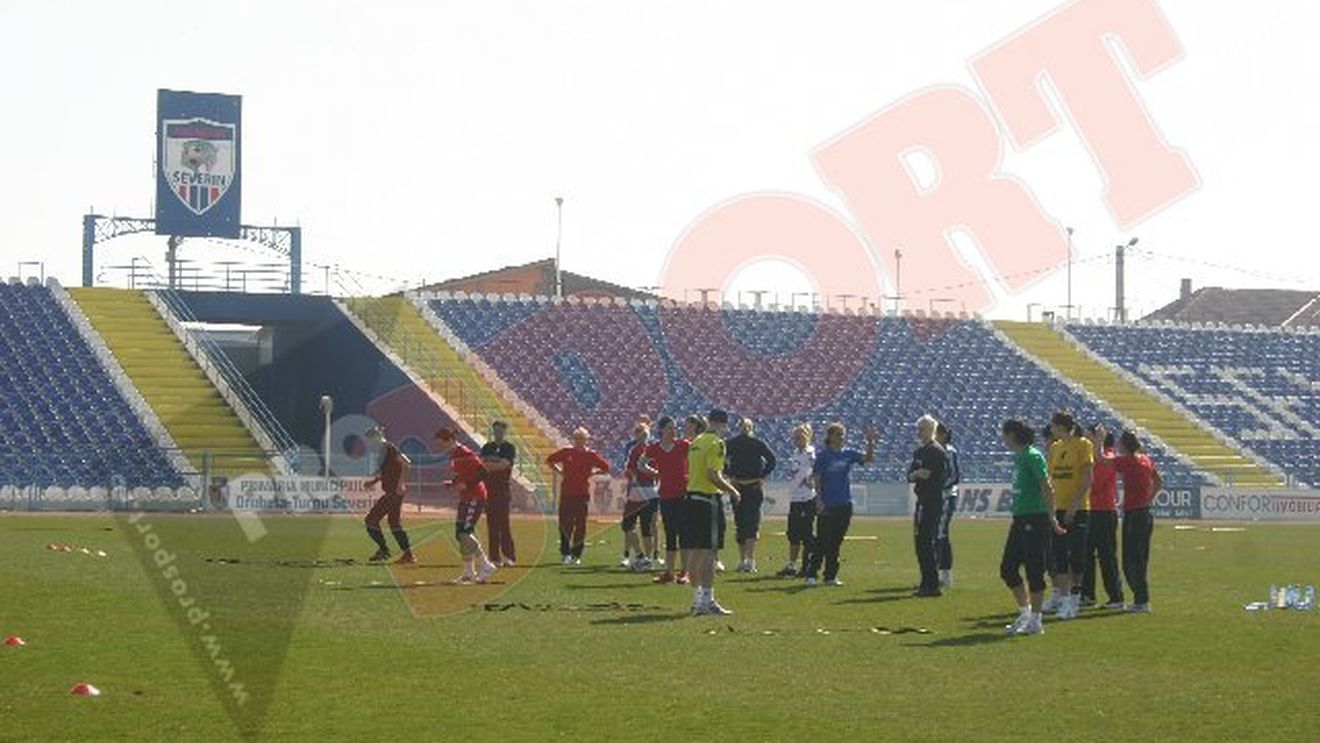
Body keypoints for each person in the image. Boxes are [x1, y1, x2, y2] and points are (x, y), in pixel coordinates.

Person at [999, 419, 1066, 636]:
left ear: (1012, 434)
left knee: (1034, 569)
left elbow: (1046, 486)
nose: (1002, 438)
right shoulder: (1020, 457)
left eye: (1004, 434)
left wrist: (1051, 516)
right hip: (1020, 518)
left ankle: (1036, 621)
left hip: (1035, 518)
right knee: (1008, 568)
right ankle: (1025, 613)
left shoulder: (1032, 456)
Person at [682, 410, 742, 615]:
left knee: (696, 551)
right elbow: (712, 474)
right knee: (709, 552)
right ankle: (707, 600)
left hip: (692, 498)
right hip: (707, 500)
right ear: (722, 424)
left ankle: (697, 599)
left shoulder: (696, 442)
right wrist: (732, 490)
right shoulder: (716, 443)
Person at [806, 422, 877, 587]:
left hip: (844, 503)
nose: (841, 438)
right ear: (830, 437)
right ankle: (812, 573)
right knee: (822, 540)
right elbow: (817, 479)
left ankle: (830, 575)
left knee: (836, 541)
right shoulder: (823, 456)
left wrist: (870, 442)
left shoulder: (848, 454)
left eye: (843, 434)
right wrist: (819, 500)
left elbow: (868, 459)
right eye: (838, 434)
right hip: (827, 503)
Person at [1045, 411, 1094, 620]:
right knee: (1059, 556)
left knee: (1077, 556)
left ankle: (1075, 598)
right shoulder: (1055, 448)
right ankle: (1064, 599)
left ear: (1060, 426)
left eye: (1053, 426)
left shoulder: (1083, 445)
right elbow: (1050, 479)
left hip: (1078, 508)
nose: (1051, 429)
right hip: (1058, 508)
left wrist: (1074, 506)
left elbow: (1087, 477)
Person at [435, 428, 497, 584]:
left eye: (441, 443)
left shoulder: (464, 453)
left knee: (464, 533)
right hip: (466, 497)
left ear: (449, 440)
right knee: (460, 534)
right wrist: (453, 483)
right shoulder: (454, 455)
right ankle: (468, 572)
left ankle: (486, 564)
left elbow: (483, 472)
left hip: (475, 497)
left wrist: (467, 485)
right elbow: (463, 474)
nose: (440, 447)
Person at [1111, 429, 1162, 613]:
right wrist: (1148, 499)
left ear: (1124, 445)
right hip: (1143, 513)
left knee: (1132, 560)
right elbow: (1158, 480)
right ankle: (1140, 599)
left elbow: (1102, 459)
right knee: (1138, 559)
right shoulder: (1145, 459)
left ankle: (1142, 600)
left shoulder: (1128, 461)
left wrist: (1099, 441)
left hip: (1134, 515)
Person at [546, 428, 612, 565]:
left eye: (582, 438)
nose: (579, 441)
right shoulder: (566, 452)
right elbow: (549, 460)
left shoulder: (590, 455)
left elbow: (606, 467)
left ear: (586, 440)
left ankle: (576, 555)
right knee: (565, 525)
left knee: (580, 525)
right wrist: (560, 471)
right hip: (567, 493)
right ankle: (565, 553)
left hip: (582, 494)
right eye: (577, 438)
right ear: (573, 439)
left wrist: (593, 473)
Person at [642, 416, 692, 585]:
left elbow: (696, 459)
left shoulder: (683, 445)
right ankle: (670, 572)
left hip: (683, 495)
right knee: (670, 534)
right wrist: (655, 473)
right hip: (665, 496)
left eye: (674, 427)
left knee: (684, 534)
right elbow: (641, 464)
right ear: (662, 430)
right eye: (670, 427)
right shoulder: (655, 448)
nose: (673, 430)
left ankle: (685, 571)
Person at [1081, 424, 1125, 609]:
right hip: (1092, 510)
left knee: (1106, 556)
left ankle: (1116, 597)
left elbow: (1095, 484)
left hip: (1104, 511)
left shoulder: (1108, 456)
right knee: (1086, 554)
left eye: (1089, 436)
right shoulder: (1095, 457)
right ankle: (1087, 594)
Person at [725, 417, 777, 573]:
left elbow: (772, 460)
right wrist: (761, 475)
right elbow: (772, 461)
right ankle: (746, 560)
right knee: (745, 523)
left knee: (747, 523)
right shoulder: (752, 443)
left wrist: (730, 474)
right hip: (745, 486)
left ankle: (748, 559)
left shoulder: (736, 443)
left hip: (744, 485)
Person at [908, 415, 949, 597]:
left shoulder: (935, 451)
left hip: (931, 500)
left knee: (925, 541)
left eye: (922, 429)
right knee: (920, 542)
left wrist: (916, 473)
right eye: (918, 429)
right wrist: (917, 473)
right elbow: (910, 475)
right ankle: (926, 582)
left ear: (932, 430)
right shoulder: (919, 451)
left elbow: (925, 474)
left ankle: (931, 585)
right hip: (922, 499)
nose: (919, 432)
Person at [362, 427, 414, 564]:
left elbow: (407, 463)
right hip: (392, 492)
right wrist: (374, 481)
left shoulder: (390, 448)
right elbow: (387, 471)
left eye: (371, 440)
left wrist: (401, 483)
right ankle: (408, 554)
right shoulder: (382, 451)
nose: (370, 443)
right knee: (394, 523)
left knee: (370, 520)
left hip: (393, 492)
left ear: (377, 437)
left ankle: (384, 550)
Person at [779, 423, 817, 577]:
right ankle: (792, 564)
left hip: (806, 498)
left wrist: (810, 481)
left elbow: (815, 470)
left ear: (807, 437)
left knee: (806, 533)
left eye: (800, 437)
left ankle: (807, 566)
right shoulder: (796, 453)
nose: (797, 441)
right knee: (793, 533)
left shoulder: (810, 453)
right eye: (795, 438)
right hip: (795, 498)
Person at [620, 422, 659, 571]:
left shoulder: (637, 450)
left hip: (640, 491)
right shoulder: (650, 449)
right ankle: (646, 558)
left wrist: (634, 477)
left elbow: (630, 469)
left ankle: (642, 556)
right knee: (645, 526)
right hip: (650, 490)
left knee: (630, 525)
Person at [480, 421, 518, 567]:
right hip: (488, 489)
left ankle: (509, 556)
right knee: (492, 524)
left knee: (504, 524)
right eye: (495, 430)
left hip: (503, 490)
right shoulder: (487, 447)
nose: (498, 433)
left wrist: (491, 464)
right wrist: (496, 464)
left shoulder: (509, 447)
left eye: (500, 431)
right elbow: (482, 464)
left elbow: (505, 465)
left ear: (505, 431)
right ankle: (494, 557)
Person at [935, 422, 961, 588]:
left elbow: (954, 476)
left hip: (946, 495)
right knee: (936, 533)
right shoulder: (933, 450)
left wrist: (938, 487)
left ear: (944, 435)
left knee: (941, 532)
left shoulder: (949, 452)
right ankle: (938, 573)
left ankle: (945, 574)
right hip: (936, 497)